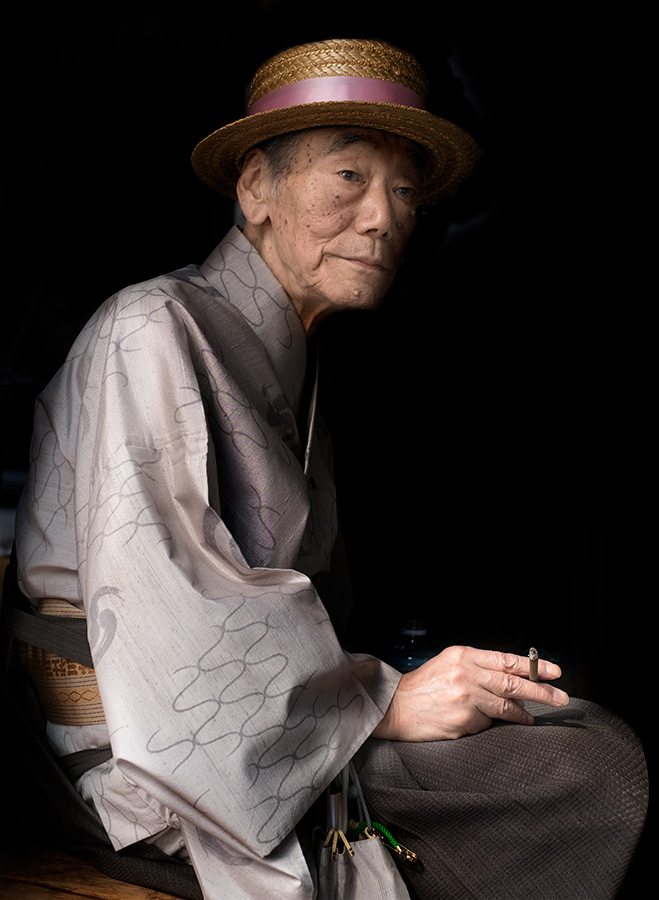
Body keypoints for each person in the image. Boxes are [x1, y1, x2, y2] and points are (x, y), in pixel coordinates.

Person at [8, 37, 647, 900]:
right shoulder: (148, 327)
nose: (384, 216)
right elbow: (168, 614)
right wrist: (385, 703)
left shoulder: (296, 363)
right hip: (148, 751)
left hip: (271, 727)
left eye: (406, 190)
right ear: (255, 188)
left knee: (560, 729)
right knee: (587, 772)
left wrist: (390, 685)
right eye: (348, 177)